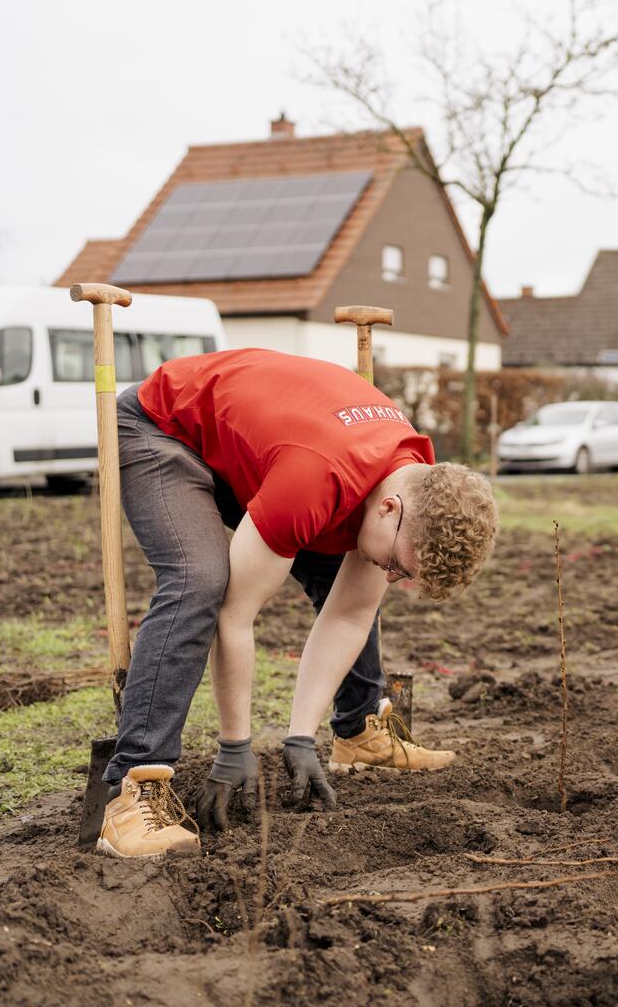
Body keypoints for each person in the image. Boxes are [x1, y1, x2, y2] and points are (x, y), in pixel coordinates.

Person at [95, 348, 498, 859]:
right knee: (200, 581)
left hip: (268, 447)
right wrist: (235, 746)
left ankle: (358, 732)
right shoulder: (316, 481)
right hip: (164, 427)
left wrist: (300, 738)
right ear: (389, 508)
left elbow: (349, 614)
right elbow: (235, 616)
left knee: (354, 573)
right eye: (399, 565)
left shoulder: (411, 480)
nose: (393, 577)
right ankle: (134, 791)